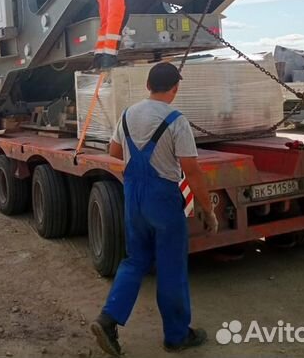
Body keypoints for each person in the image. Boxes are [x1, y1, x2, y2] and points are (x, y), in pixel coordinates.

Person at [90, 62, 218, 356]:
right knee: (171, 267)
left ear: (148, 85)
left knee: (135, 261)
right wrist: (207, 208)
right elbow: (192, 170)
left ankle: (108, 320)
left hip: (133, 197)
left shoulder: (127, 114)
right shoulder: (176, 120)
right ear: (175, 89)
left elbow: (114, 152)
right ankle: (176, 336)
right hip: (163, 200)